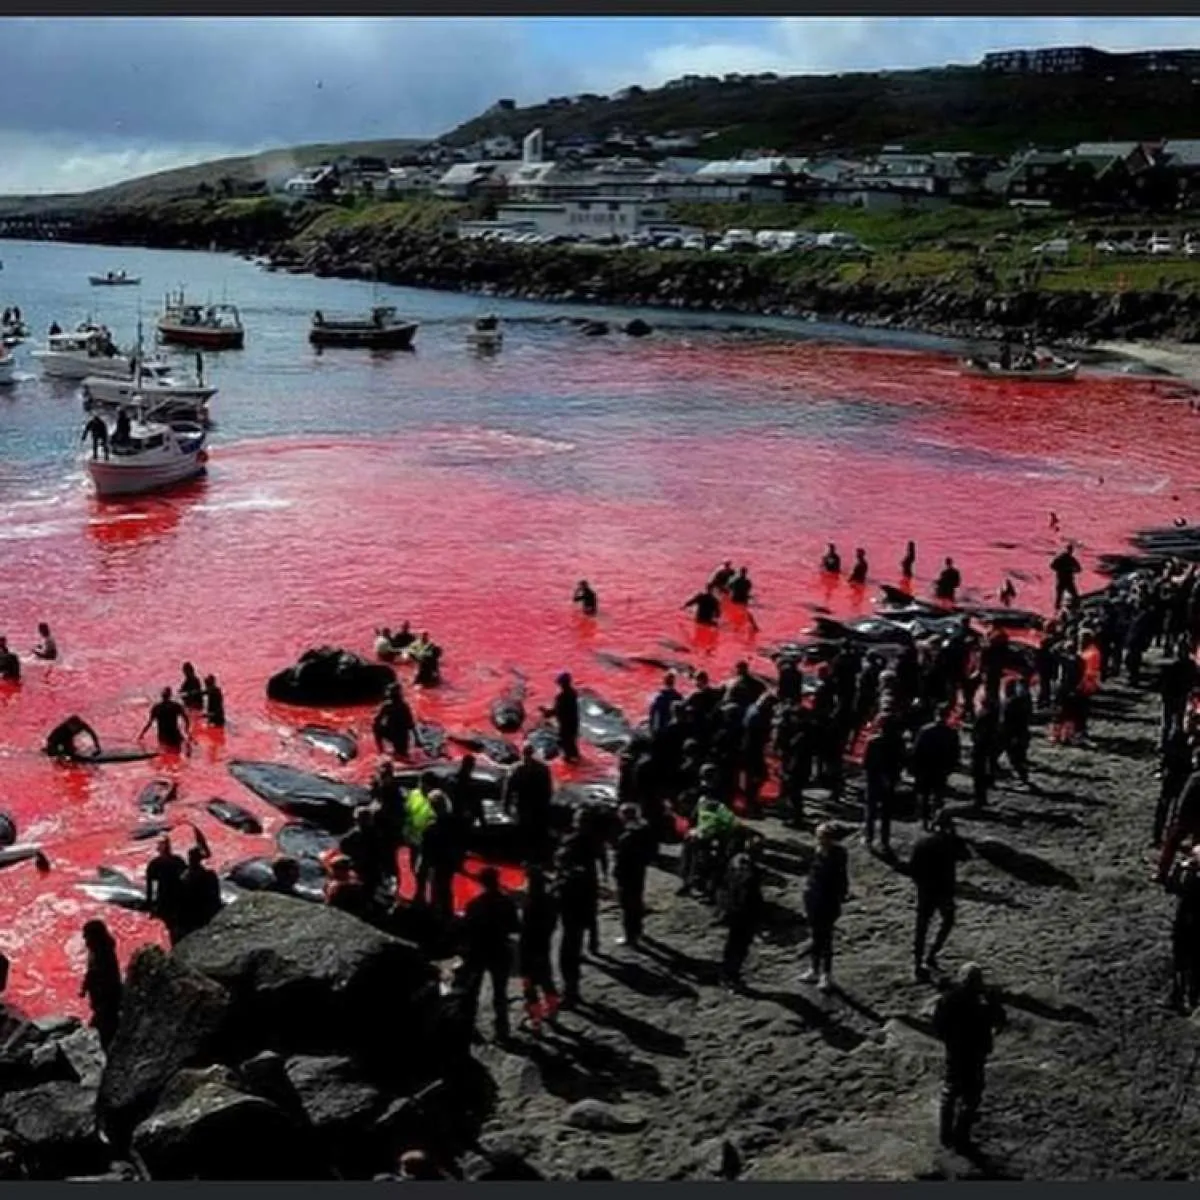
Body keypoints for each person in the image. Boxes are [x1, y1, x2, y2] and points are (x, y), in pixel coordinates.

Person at [932, 963, 1007, 1149]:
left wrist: (950, 1041)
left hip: (955, 1051)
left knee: (950, 1090)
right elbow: (999, 1020)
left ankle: (945, 1134)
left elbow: (938, 1027)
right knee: (972, 1094)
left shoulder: (948, 1000)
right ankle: (961, 1134)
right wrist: (995, 1002)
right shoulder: (982, 1003)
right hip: (975, 1053)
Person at [461, 865, 520, 1041]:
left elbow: (466, 929)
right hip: (500, 950)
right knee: (500, 993)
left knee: (472, 992)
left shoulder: (474, 904)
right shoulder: (506, 903)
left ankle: (468, 1028)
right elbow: (515, 927)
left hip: (477, 951)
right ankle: (502, 1030)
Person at [910, 813, 969, 980]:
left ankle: (917, 964)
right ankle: (932, 953)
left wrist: (920, 884)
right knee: (948, 920)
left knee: (921, 928)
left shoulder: (922, 842)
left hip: (925, 891)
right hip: (944, 891)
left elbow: (912, 868)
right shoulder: (951, 842)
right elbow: (966, 856)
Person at [803, 824, 849, 992]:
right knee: (815, 937)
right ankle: (814, 969)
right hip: (813, 901)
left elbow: (840, 882)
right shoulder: (817, 853)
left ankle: (826, 974)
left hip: (828, 902)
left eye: (821, 837)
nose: (819, 840)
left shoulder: (837, 855)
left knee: (826, 939)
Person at [518, 864, 560, 1033]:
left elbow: (525, 929)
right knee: (546, 978)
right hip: (544, 943)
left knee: (529, 984)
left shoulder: (529, 904)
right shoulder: (551, 901)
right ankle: (553, 1009)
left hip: (529, 947)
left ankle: (535, 1019)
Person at [721, 829, 764, 992]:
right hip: (743, 913)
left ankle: (729, 974)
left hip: (733, 909)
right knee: (738, 946)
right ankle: (730, 976)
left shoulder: (736, 861)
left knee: (733, 945)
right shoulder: (750, 873)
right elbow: (748, 896)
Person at [503, 744, 555, 863]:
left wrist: (506, 805)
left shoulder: (517, 769)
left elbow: (508, 789)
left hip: (528, 804)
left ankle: (525, 853)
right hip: (533, 804)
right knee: (531, 829)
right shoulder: (542, 768)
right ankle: (531, 853)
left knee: (526, 828)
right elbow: (548, 789)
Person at [912, 706, 961, 828]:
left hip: (926, 767)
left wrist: (915, 767)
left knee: (924, 795)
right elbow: (955, 753)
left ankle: (924, 820)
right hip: (941, 769)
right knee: (938, 796)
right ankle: (936, 818)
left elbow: (917, 750)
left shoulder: (925, 730)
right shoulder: (951, 732)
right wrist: (951, 767)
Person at [613, 804, 654, 949]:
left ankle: (630, 936)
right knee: (637, 901)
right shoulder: (645, 830)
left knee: (627, 905)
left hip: (627, 874)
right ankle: (638, 931)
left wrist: (616, 873)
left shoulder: (627, 836)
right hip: (639, 871)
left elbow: (621, 859)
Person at [79, 920, 123, 1050]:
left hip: (106, 1000)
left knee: (103, 1028)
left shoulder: (104, 953)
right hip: (100, 999)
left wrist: (88, 987)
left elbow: (103, 976)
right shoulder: (96, 951)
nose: (84, 939)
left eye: (86, 935)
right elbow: (91, 972)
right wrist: (85, 988)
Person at [145, 836, 187, 944]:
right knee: (175, 927)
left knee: (173, 927)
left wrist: (150, 905)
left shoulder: (155, 864)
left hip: (169, 899)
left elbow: (150, 887)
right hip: (174, 898)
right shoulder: (177, 861)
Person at [175, 844, 222, 939]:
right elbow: (216, 897)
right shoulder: (210, 876)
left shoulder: (184, 878)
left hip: (191, 919)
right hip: (205, 917)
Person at [544, 672, 581, 764]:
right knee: (572, 741)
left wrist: (547, 713)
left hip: (565, 724)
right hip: (574, 722)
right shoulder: (573, 693)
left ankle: (569, 759)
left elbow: (558, 710)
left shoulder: (561, 697)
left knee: (565, 742)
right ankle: (575, 756)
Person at [139, 687, 190, 752]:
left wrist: (142, 734)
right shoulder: (176, 706)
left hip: (163, 735)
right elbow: (186, 719)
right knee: (177, 753)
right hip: (174, 734)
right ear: (170, 695)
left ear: (162, 696)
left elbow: (150, 723)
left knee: (165, 753)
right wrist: (187, 730)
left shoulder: (157, 707)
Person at [373, 683, 415, 757]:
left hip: (400, 735)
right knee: (376, 727)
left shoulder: (400, 707)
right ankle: (381, 751)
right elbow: (411, 724)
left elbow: (411, 724)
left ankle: (382, 751)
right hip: (395, 733)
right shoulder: (390, 706)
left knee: (402, 753)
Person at [1050, 542, 1083, 612]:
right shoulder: (1067, 558)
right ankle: (1075, 608)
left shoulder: (1064, 558)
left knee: (1060, 596)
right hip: (1066, 580)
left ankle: (1058, 610)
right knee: (1069, 595)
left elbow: (1079, 569)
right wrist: (1068, 570)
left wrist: (1062, 570)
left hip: (1064, 579)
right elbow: (1079, 569)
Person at [648, 671, 682, 737]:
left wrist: (652, 731)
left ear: (664, 682)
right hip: (674, 731)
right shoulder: (678, 696)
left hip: (662, 730)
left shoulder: (658, 697)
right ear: (674, 682)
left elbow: (652, 715)